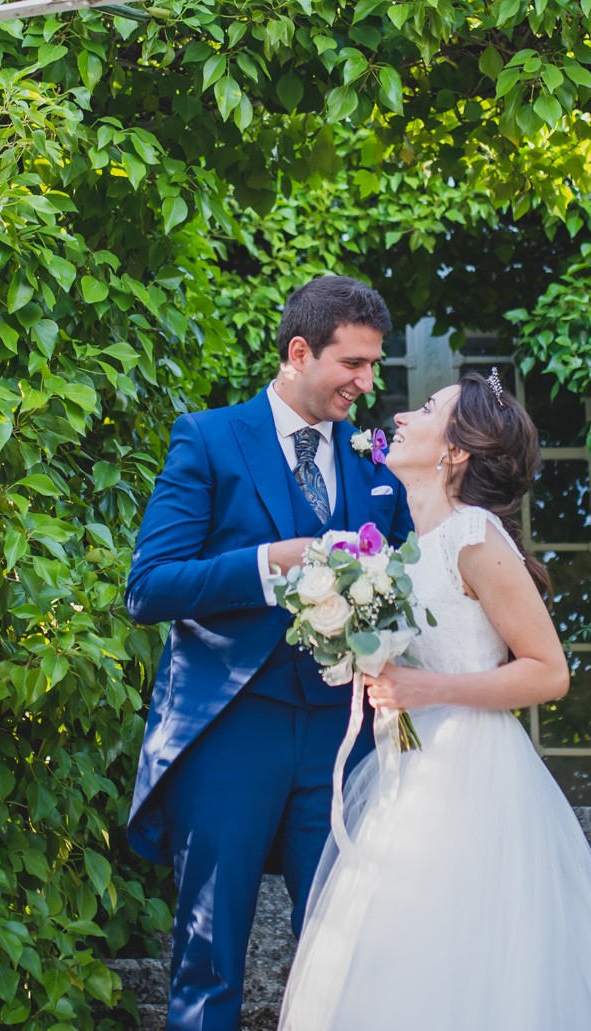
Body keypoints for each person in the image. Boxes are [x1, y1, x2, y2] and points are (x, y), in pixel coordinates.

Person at [277, 370, 591, 1030]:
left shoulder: (476, 535)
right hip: (409, 767)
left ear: (454, 451)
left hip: (471, 777)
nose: (400, 416)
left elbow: (549, 671)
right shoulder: (409, 549)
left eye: (426, 409)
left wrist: (429, 687)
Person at [125, 275, 415, 1031]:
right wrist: (268, 563)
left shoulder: (374, 466)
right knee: (209, 956)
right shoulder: (210, 438)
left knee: (340, 955)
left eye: (373, 365)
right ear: (298, 351)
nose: (366, 381)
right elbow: (149, 585)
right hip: (230, 729)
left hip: (339, 741)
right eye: (352, 363)